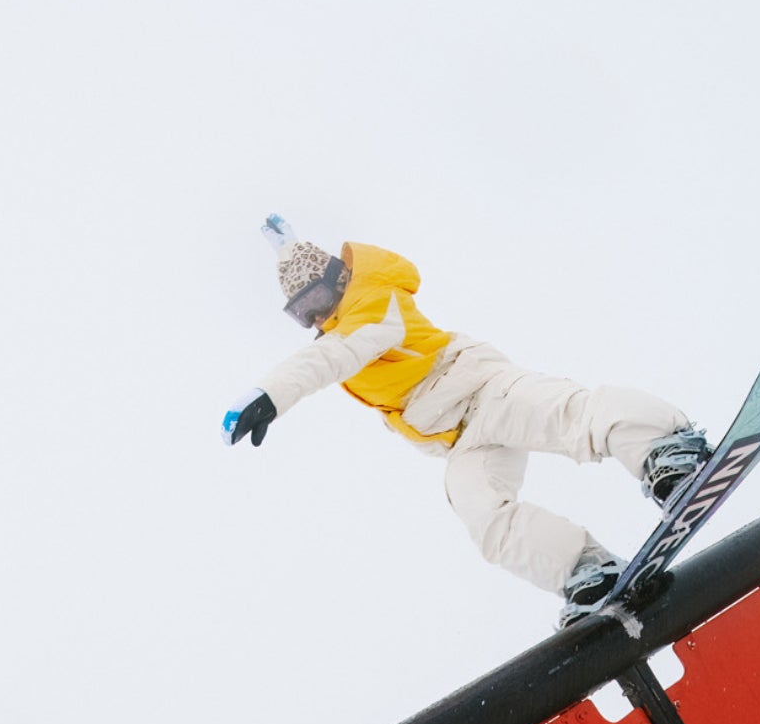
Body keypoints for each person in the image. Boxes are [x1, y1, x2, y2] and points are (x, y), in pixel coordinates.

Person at [222, 216, 710, 613]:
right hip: (460, 440)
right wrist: (283, 245)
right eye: (301, 312)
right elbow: (329, 348)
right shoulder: (342, 330)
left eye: (316, 300)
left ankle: (665, 448)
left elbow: (327, 360)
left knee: (568, 417)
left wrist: (269, 394)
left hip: (482, 389)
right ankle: (583, 568)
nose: (315, 317)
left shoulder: (373, 303)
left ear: (337, 278)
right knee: (484, 517)